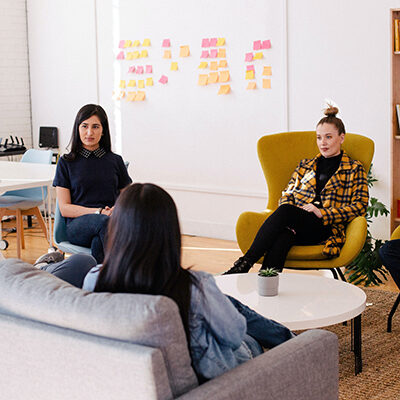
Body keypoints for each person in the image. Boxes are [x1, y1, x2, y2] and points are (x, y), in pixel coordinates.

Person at [37, 183, 294, 382]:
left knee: (225, 305)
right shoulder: (194, 285)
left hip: (135, 376)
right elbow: (234, 334)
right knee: (247, 338)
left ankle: (284, 336)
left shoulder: (96, 278)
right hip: (210, 379)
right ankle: (292, 342)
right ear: (169, 231)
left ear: (118, 230)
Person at [224, 105, 369, 274]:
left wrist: (323, 212)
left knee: (285, 211)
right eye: (319, 138)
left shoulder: (354, 168)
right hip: (297, 222)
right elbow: (288, 194)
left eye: (329, 137)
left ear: (341, 137)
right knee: (283, 238)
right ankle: (266, 286)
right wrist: (296, 213)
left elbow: (360, 205)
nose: (323, 143)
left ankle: (244, 263)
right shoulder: (305, 165)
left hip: (326, 227)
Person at [53, 104, 132, 263]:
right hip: (78, 226)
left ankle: (99, 283)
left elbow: (129, 197)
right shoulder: (66, 162)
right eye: (85, 126)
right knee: (105, 223)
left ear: (103, 131)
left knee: (100, 241)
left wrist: (117, 209)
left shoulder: (115, 161)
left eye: (95, 126)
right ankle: (128, 276)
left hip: (108, 223)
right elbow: (65, 208)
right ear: (77, 129)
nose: (90, 132)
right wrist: (99, 212)